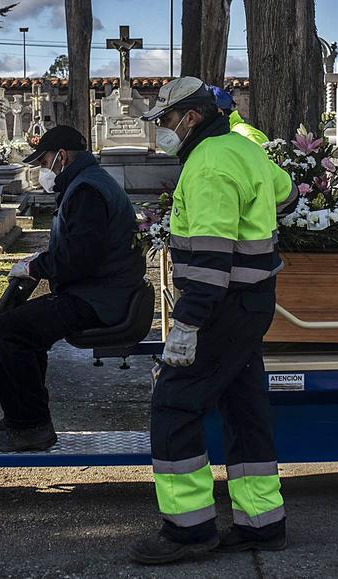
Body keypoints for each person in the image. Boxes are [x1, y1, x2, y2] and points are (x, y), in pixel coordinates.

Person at [130, 77, 297, 565]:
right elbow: (286, 196)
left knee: (175, 405)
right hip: (253, 303)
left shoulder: (206, 166)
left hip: (219, 308)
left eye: (166, 120)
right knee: (245, 411)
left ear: (192, 117)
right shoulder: (245, 150)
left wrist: (185, 326)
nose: (163, 129)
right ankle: (262, 524)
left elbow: (208, 264)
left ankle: (189, 531)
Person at [0, 125, 146, 452]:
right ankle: (22, 417)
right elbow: (78, 246)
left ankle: (30, 427)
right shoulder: (88, 183)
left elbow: (79, 258)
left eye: (44, 162)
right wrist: (42, 259)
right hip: (100, 291)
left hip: (99, 298)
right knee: (25, 329)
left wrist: (36, 266)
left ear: (62, 156)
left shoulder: (86, 191)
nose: (43, 170)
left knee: (10, 331)